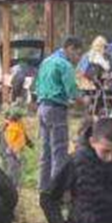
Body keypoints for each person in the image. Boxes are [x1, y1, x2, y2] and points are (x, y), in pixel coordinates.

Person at [35, 36, 83, 190]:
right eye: (77, 54)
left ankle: (43, 187)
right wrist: (83, 102)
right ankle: (57, 190)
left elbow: (37, 85)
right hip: (56, 109)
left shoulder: (46, 61)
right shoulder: (64, 65)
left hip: (42, 108)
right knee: (60, 152)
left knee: (46, 151)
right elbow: (72, 91)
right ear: (70, 48)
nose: (78, 59)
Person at [0, 108, 32, 186]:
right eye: (21, 118)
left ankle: (13, 184)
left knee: (15, 168)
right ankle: (10, 184)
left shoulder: (17, 126)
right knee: (12, 168)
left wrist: (29, 144)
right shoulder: (12, 127)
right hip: (12, 151)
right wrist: (15, 152)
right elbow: (10, 141)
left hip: (12, 150)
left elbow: (23, 136)